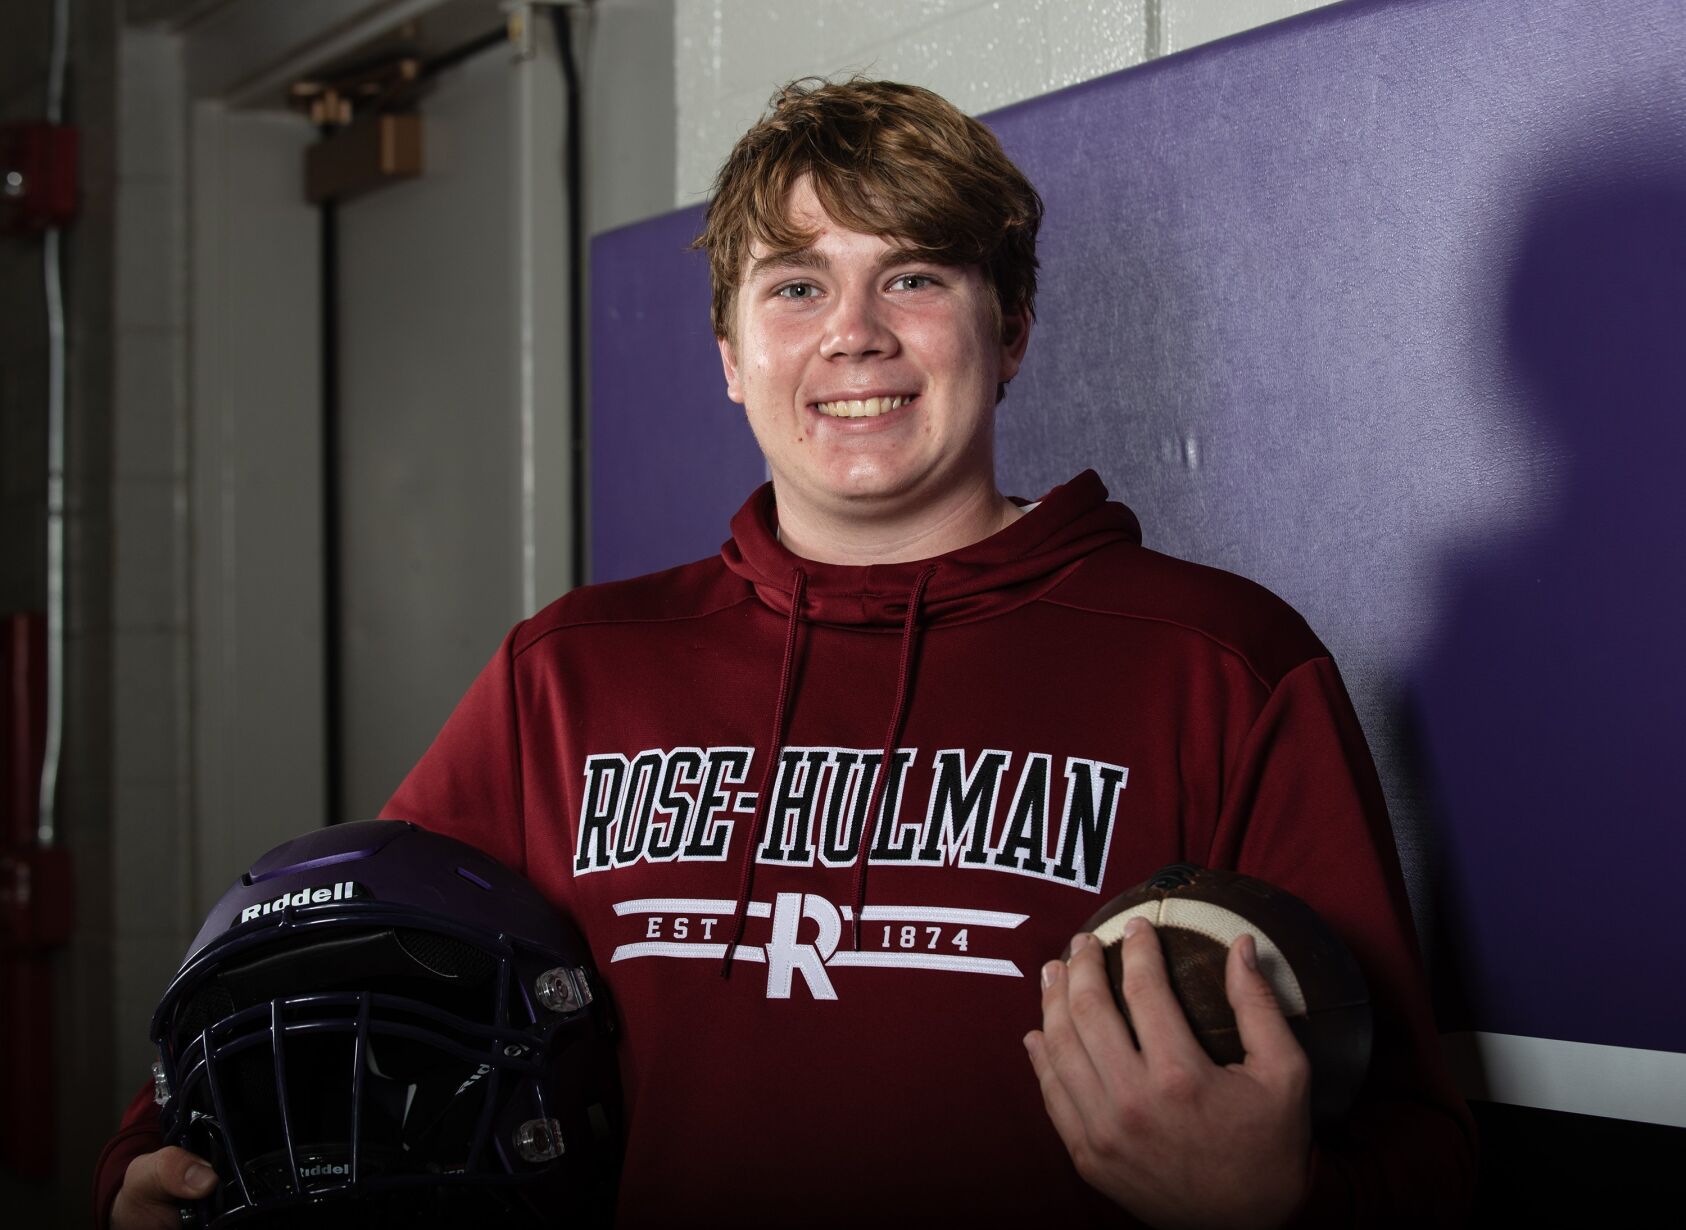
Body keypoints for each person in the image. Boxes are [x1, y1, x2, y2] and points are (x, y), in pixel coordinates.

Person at [98, 78, 1474, 1228]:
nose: (853, 334)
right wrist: (155, 1150)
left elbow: (1420, 1146)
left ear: (1009, 330)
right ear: (728, 353)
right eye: (797, 285)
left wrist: (1281, 1200)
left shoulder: (1221, 660)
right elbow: (338, 950)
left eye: (914, 277)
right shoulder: (569, 673)